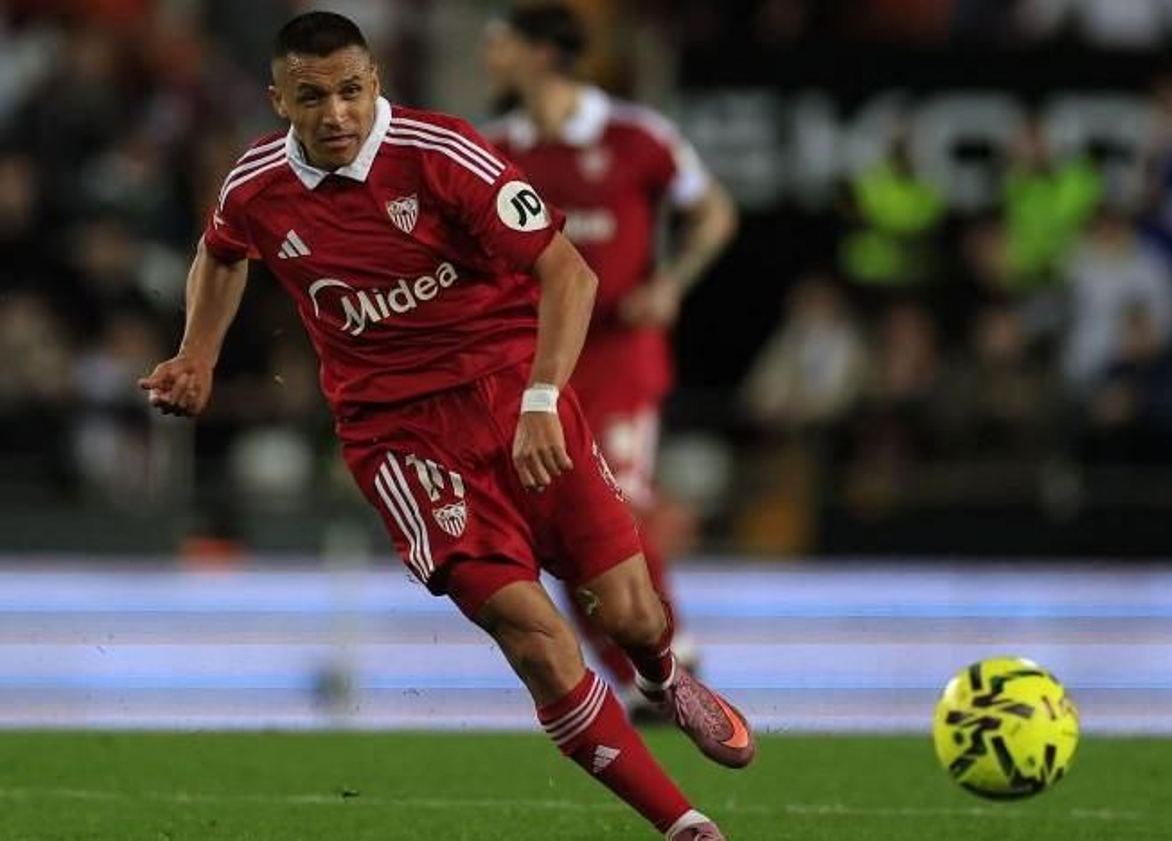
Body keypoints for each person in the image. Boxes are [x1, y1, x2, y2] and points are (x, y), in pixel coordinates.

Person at [136, 12, 748, 840]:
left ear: (375, 82)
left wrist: (539, 400)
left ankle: (663, 673)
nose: (337, 113)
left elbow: (569, 274)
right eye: (312, 96)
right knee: (532, 635)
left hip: (514, 399)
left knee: (630, 612)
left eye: (351, 90)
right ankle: (682, 823)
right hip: (401, 438)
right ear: (278, 99)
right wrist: (196, 354)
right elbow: (221, 251)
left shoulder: (441, 153)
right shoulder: (255, 186)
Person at [480, 4, 738, 706]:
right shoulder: (495, 145)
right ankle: (636, 682)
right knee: (562, 525)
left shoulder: (635, 136)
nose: (488, 55)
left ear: (539, 53)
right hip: (537, 366)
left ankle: (672, 654)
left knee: (615, 508)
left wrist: (671, 282)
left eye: (499, 42)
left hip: (621, 354)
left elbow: (714, 211)